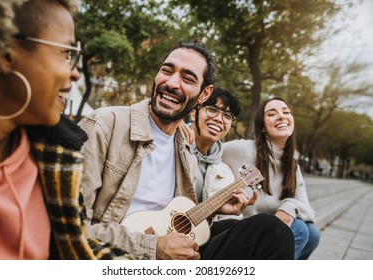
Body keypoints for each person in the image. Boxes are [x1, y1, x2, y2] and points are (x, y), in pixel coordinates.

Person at [79, 41, 295, 260]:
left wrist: (214, 210)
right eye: (167, 70)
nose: (172, 83)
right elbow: (71, 226)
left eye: (188, 78)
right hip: (119, 256)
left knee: (271, 230)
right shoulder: (105, 125)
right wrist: (152, 247)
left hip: (169, 255)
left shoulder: (185, 152)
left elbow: (171, 221)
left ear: (203, 94)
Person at [0, 0, 133, 260]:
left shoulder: (57, 155)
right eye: (66, 53)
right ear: (6, 51)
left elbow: (77, 246)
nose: (75, 73)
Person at [222, 96, 320, 260]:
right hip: (240, 233)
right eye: (272, 114)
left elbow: (308, 210)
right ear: (262, 127)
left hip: (270, 235)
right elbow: (209, 147)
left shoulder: (292, 166)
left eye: (286, 112)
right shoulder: (242, 149)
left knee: (313, 234)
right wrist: (186, 129)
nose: (282, 116)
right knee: (301, 230)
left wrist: (289, 206)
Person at [188, 87, 258, 221]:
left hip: (200, 238)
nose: (219, 119)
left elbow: (224, 226)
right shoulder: (168, 147)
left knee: (266, 225)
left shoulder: (224, 173)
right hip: (153, 230)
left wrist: (229, 212)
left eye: (227, 116)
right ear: (193, 113)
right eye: (212, 110)